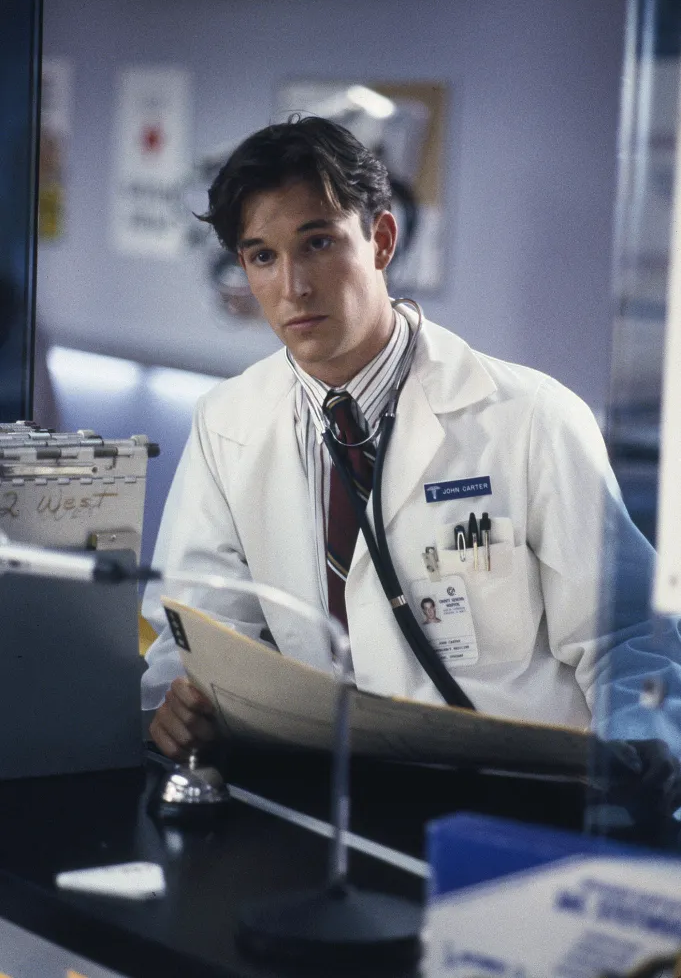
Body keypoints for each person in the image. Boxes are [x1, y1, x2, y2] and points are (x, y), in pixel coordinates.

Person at [142, 115, 680, 764]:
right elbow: (196, 630)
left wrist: (626, 784)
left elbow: (627, 642)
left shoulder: (531, 417)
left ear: (382, 239)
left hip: (517, 797)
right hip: (336, 796)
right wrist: (179, 701)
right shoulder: (227, 421)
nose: (293, 286)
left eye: (317, 243)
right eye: (263, 256)